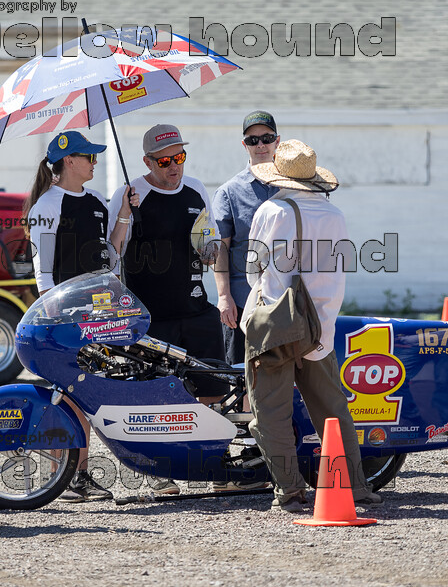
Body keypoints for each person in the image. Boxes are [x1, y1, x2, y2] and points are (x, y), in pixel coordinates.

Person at [240, 139, 381, 513]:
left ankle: (290, 491)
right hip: (321, 326)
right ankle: (355, 486)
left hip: (275, 324)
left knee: (271, 413)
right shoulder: (335, 215)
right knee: (333, 410)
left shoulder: (272, 210)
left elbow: (253, 269)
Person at [108, 124, 228, 494]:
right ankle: (160, 470)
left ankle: (213, 462)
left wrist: (212, 253)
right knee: (155, 392)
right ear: (147, 161)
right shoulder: (128, 193)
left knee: (213, 387)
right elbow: (112, 253)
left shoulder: (195, 189)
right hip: (150, 315)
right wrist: (126, 212)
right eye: (165, 160)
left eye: (180, 156)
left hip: (194, 307)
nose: (174, 166)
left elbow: (211, 244)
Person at [25, 131, 137, 502]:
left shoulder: (96, 202)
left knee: (84, 393)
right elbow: (42, 268)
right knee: (69, 395)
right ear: (68, 161)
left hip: (98, 313)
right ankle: (69, 475)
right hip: (65, 316)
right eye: (88, 156)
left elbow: (112, 255)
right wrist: (51, 312)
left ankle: (75, 475)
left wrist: (123, 214)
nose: (94, 162)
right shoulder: (47, 203)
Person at [213, 110, 279, 365]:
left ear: (277, 141)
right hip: (243, 302)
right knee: (242, 376)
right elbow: (221, 249)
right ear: (244, 145)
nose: (260, 145)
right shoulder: (229, 192)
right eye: (253, 140)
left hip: (285, 302)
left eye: (266, 138)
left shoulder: (293, 187)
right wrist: (224, 297)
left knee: (282, 374)